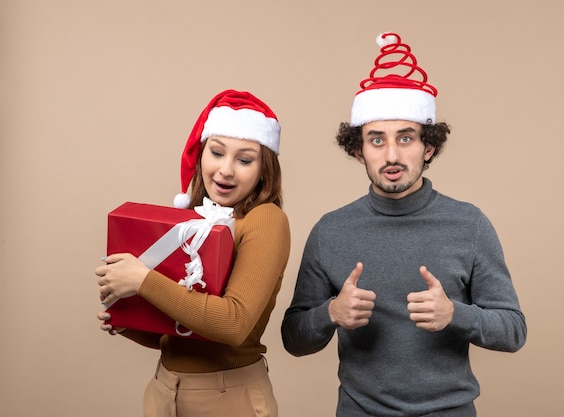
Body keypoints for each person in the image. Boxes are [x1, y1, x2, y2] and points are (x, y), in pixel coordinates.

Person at [281, 32, 526, 417]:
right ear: (358, 150)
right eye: (376, 140)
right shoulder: (330, 231)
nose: (391, 154)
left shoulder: (469, 224)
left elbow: (513, 331)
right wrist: (329, 313)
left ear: (428, 146)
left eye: (406, 138)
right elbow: (293, 339)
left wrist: (455, 315)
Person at [95, 89, 290, 417]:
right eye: (216, 153)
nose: (226, 170)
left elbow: (233, 325)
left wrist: (142, 281)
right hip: (164, 390)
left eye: (244, 159)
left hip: (228, 398)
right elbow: (185, 334)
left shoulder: (265, 219)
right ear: (201, 155)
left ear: (263, 170)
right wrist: (129, 321)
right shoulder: (194, 222)